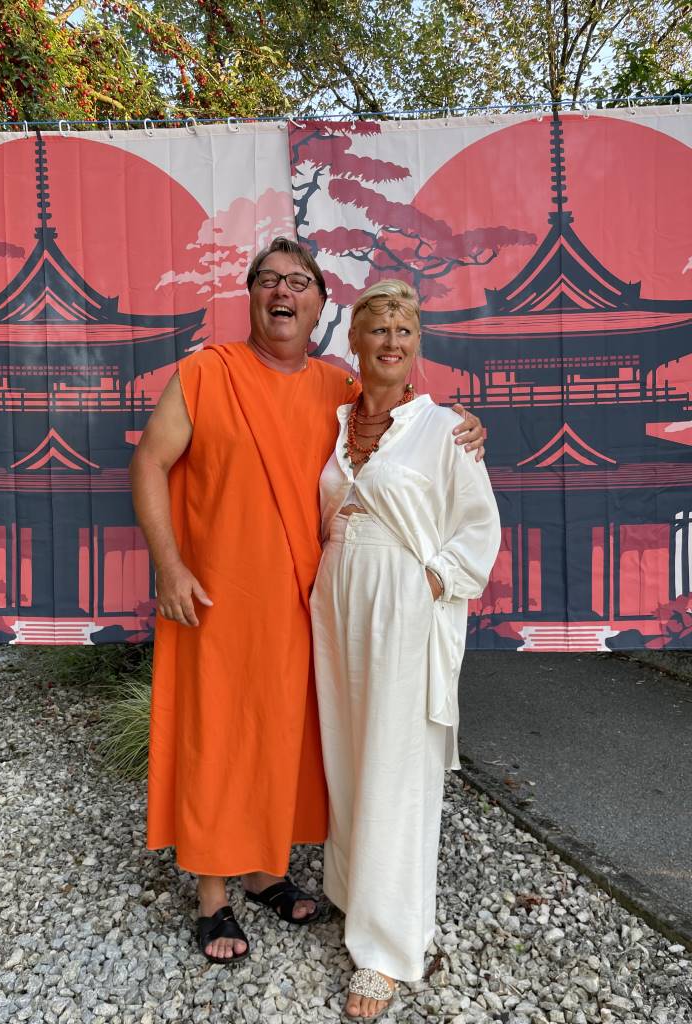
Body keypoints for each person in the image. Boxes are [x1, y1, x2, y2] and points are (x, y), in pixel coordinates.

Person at [129, 239, 487, 965]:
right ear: (251, 296)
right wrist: (169, 567)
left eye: (299, 282)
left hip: (310, 604)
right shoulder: (205, 373)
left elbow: (407, 430)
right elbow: (149, 462)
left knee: (289, 738)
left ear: (322, 305)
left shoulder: (339, 391)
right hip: (219, 598)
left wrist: (468, 426)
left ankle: (264, 870)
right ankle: (213, 896)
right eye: (268, 280)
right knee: (220, 737)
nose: (282, 291)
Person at [310, 279, 501, 1019]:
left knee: (395, 762)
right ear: (354, 341)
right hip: (336, 594)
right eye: (379, 329)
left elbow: (478, 525)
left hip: (402, 599)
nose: (391, 342)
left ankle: (388, 948)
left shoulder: (445, 429)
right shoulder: (335, 421)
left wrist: (433, 580)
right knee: (347, 750)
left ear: (417, 344)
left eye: (405, 331)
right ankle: (352, 891)